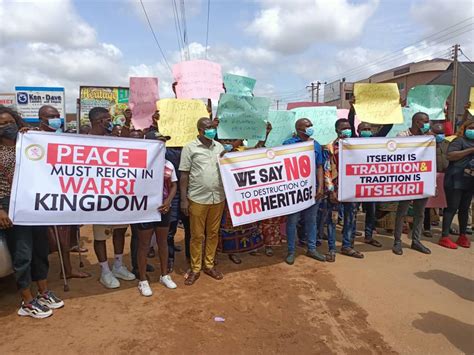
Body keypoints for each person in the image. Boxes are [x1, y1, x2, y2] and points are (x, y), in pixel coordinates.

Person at [0, 106, 64, 318]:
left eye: (9, 122)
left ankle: (43, 291)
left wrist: (32, 136)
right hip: (9, 204)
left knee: (40, 249)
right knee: (23, 253)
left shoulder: (27, 141)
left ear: (16, 122)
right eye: (0, 124)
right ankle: (27, 300)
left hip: (33, 202)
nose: (5, 127)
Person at [37, 105, 91, 279]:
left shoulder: (62, 137)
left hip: (62, 191)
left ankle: (66, 269)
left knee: (63, 233)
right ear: (41, 119)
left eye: (58, 115)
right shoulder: (32, 137)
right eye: (52, 116)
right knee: (45, 237)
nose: (56, 119)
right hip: (40, 193)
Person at [88, 107, 135, 288]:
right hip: (99, 197)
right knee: (101, 235)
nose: (110, 122)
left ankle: (118, 265)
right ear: (98, 120)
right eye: (107, 119)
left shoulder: (113, 139)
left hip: (118, 195)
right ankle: (104, 271)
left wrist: (128, 122)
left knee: (120, 230)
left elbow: (130, 144)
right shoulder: (83, 140)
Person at [179, 117, 226, 285]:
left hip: (218, 197)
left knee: (213, 234)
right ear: (200, 130)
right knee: (197, 235)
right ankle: (195, 268)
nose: (211, 130)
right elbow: (184, 174)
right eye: (208, 127)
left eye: (212, 127)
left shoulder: (219, 147)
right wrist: (184, 200)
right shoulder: (190, 148)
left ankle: (209, 264)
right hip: (197, 198)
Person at [134, 131, 178, 296]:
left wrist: (168, 202)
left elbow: (173, 185)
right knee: (144, 245)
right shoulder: (140, 163)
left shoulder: (168, 164)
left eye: (164, 142)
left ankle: (164, 275)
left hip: (164, 209)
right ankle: (143, 280)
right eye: (159, 142)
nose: (162, 145)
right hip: (145, 209)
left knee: (163, 242)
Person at [283, 118, 326, 265]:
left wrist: (320, 187)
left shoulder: (316, 145)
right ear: (299, 128)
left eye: (311, 125)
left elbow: (319, 166)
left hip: (312, 190)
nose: (310, 128)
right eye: (307, 126)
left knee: (311, 221)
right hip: (294, 192)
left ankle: (312, 249)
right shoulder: (288, 144)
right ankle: (291, 251)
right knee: (292, 221)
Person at [392, 112, 433, 255]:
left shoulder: (429, 137)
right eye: (425, 121)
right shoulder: (402, 136)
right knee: (402, 211)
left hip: (422, 178)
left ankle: (416, 241)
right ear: (417, 122)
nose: (428, 124)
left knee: (419, 212)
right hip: (406, 179)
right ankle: (397, 241)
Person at [324, 118, 364, 259]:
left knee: (351, 218)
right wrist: (330, 191)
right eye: (344, 128)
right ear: (337, 130)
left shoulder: (358, 147)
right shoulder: (330, 148)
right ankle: (331, 249)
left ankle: (347, 246)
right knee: (333, 220)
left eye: (349, 127)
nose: (347, 130)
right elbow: (327, 170)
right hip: (336, 189)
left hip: (353, 189)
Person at [438, 118, 474, 249]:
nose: (473, 131)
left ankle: (463, 235)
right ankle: (445, 236)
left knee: (464, 208)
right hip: (455, 179)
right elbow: (450, 155)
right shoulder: (459, 141)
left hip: (469, 181)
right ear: (464, 129)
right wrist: (470, 150)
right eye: (471, 128)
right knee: (452, 208)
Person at [423, 122, 450, 238]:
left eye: (442, 133)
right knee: (428, 204)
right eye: (437, 133)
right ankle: (426, 227)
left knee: (447, 203)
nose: (440, 135)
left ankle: (446, 228)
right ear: (431, 132)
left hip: (446, 176)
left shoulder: (448, 144)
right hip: (431, 176)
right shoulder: (426, 144)